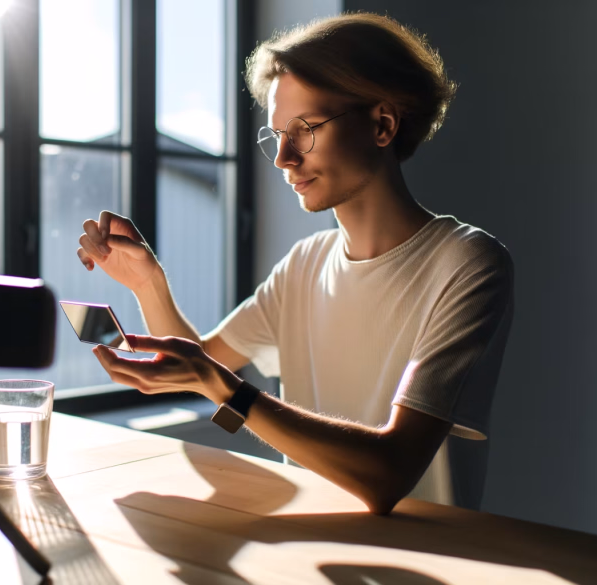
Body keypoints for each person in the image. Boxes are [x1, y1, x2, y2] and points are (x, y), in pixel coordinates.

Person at [76, 13, 514, 515]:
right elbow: (200, 364)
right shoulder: (304, 264)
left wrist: (226, 390)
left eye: (304, 130)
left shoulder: (467, 263)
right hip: (307, 547)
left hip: (427, 553)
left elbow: (389, 472)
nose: (283, 157)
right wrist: (147, 284)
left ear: (382, 124)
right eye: (277, 135)